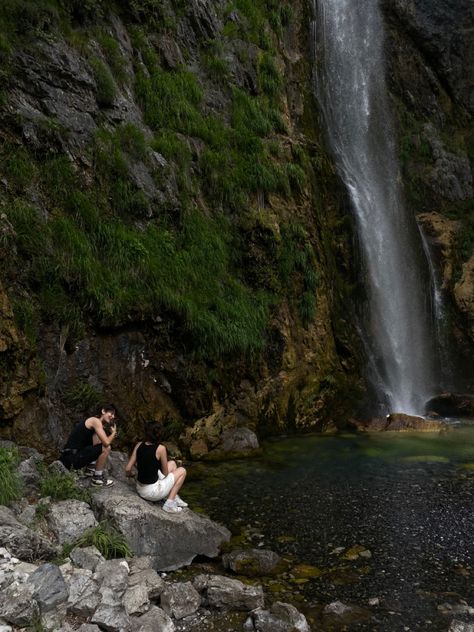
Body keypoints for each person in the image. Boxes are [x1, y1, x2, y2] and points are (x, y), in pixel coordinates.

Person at [125, 420, 187, 513]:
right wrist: (169, 479)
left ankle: (173, 496)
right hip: (152, 492)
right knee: (182, 470)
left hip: (140, 488)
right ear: (159, 433)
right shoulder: (161, 448)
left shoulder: (139, 445)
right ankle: (169, 504)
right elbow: (166, 473)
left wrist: (132, 474)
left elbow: (128, 469)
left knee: (173, 464)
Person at [60, 404, 117, 487]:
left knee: (99, 445)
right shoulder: (95, 421)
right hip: (71, 458)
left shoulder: (96, 425)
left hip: (69, 458)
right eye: (111, 413)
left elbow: (96, 445)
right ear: (103, 411)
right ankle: (97, 478)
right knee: (107, 448)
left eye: (114, 415)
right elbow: (106, 443)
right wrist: (113, 433)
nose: (113, 416)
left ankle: (90, 468)